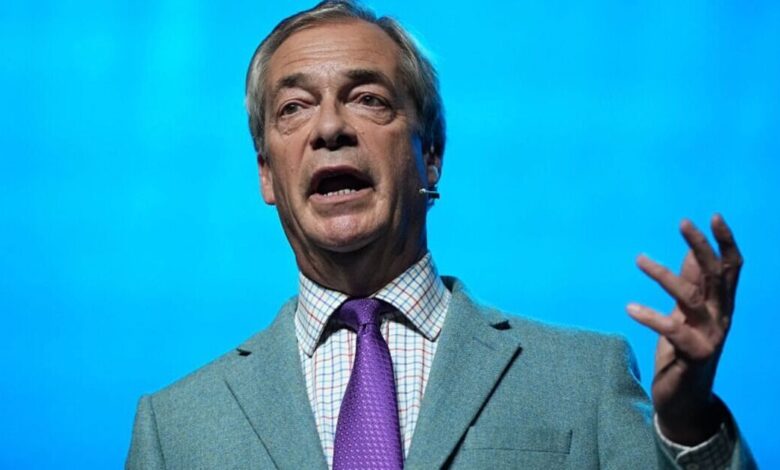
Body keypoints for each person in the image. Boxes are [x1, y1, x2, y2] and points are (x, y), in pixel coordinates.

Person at [127, 1, 756, 468]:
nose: (329, 128)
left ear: (430, 156)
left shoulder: (583, 379)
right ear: (267, 173)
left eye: (368, 98)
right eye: (293, 108)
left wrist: (688, 426)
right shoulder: (176, 427)